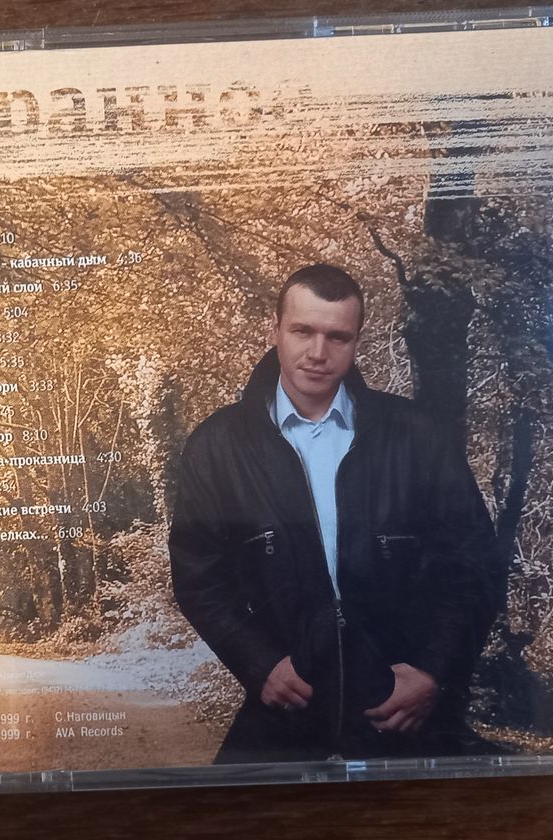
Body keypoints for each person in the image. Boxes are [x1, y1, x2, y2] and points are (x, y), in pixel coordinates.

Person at [169, 263, 502, 764]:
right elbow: (200, 579)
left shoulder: (418, 436)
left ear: (356, 342)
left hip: (403, 713)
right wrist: (260, 665)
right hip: (284, 714)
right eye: (302, 331)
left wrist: (433, 670)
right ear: (275, 330)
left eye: (337, 337)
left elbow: (473, 564)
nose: (318, 352)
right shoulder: (217, 446)